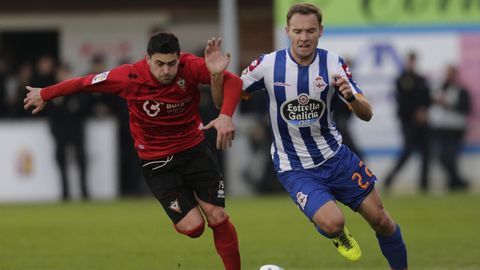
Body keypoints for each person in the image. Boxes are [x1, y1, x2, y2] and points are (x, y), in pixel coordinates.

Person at [24, 32, 242, 270]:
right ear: (148, 59)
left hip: (193, 150)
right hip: (156, 161)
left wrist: (225, 114)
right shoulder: (128, 76)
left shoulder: (190, 66)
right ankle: (183, 216)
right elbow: (85, 83)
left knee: (218, 217)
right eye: (160, 64)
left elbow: (234, 82)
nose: (167, 70)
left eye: (171, 64)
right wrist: (45, 94)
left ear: (179, 58)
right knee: (194, 228)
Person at [239, 3, 407, 269]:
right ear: (287, 31)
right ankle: (335, 233)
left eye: (310, 30)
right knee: (333, 223)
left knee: (382, 221)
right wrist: (217, 80)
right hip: (295, 166)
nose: (304, 37)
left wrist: (351, 97)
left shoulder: (333, 63)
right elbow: (232, 94)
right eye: (297, 31)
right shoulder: (268, 65)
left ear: (320, 31)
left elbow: (366, 113)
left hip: (336, 157)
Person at [384, 52, 432, 192]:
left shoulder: (421, 79)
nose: (411, 64)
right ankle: (390, 179)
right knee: (408, 151)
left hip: (423, 122)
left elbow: (427, 98)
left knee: (426, 152)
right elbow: (403, 101)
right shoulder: (401, 80)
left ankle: (424, 185)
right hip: (408, 121)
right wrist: (415, 112)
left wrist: (423, 111)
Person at [429, 65, 471, 191]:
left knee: (451, 156)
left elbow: (466, 108)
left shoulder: (461, 90)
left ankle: (455, 182)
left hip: (456, 128)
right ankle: (457, 181)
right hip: (441, 127)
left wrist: (449, 105)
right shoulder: (440, 88)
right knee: (442, 157)